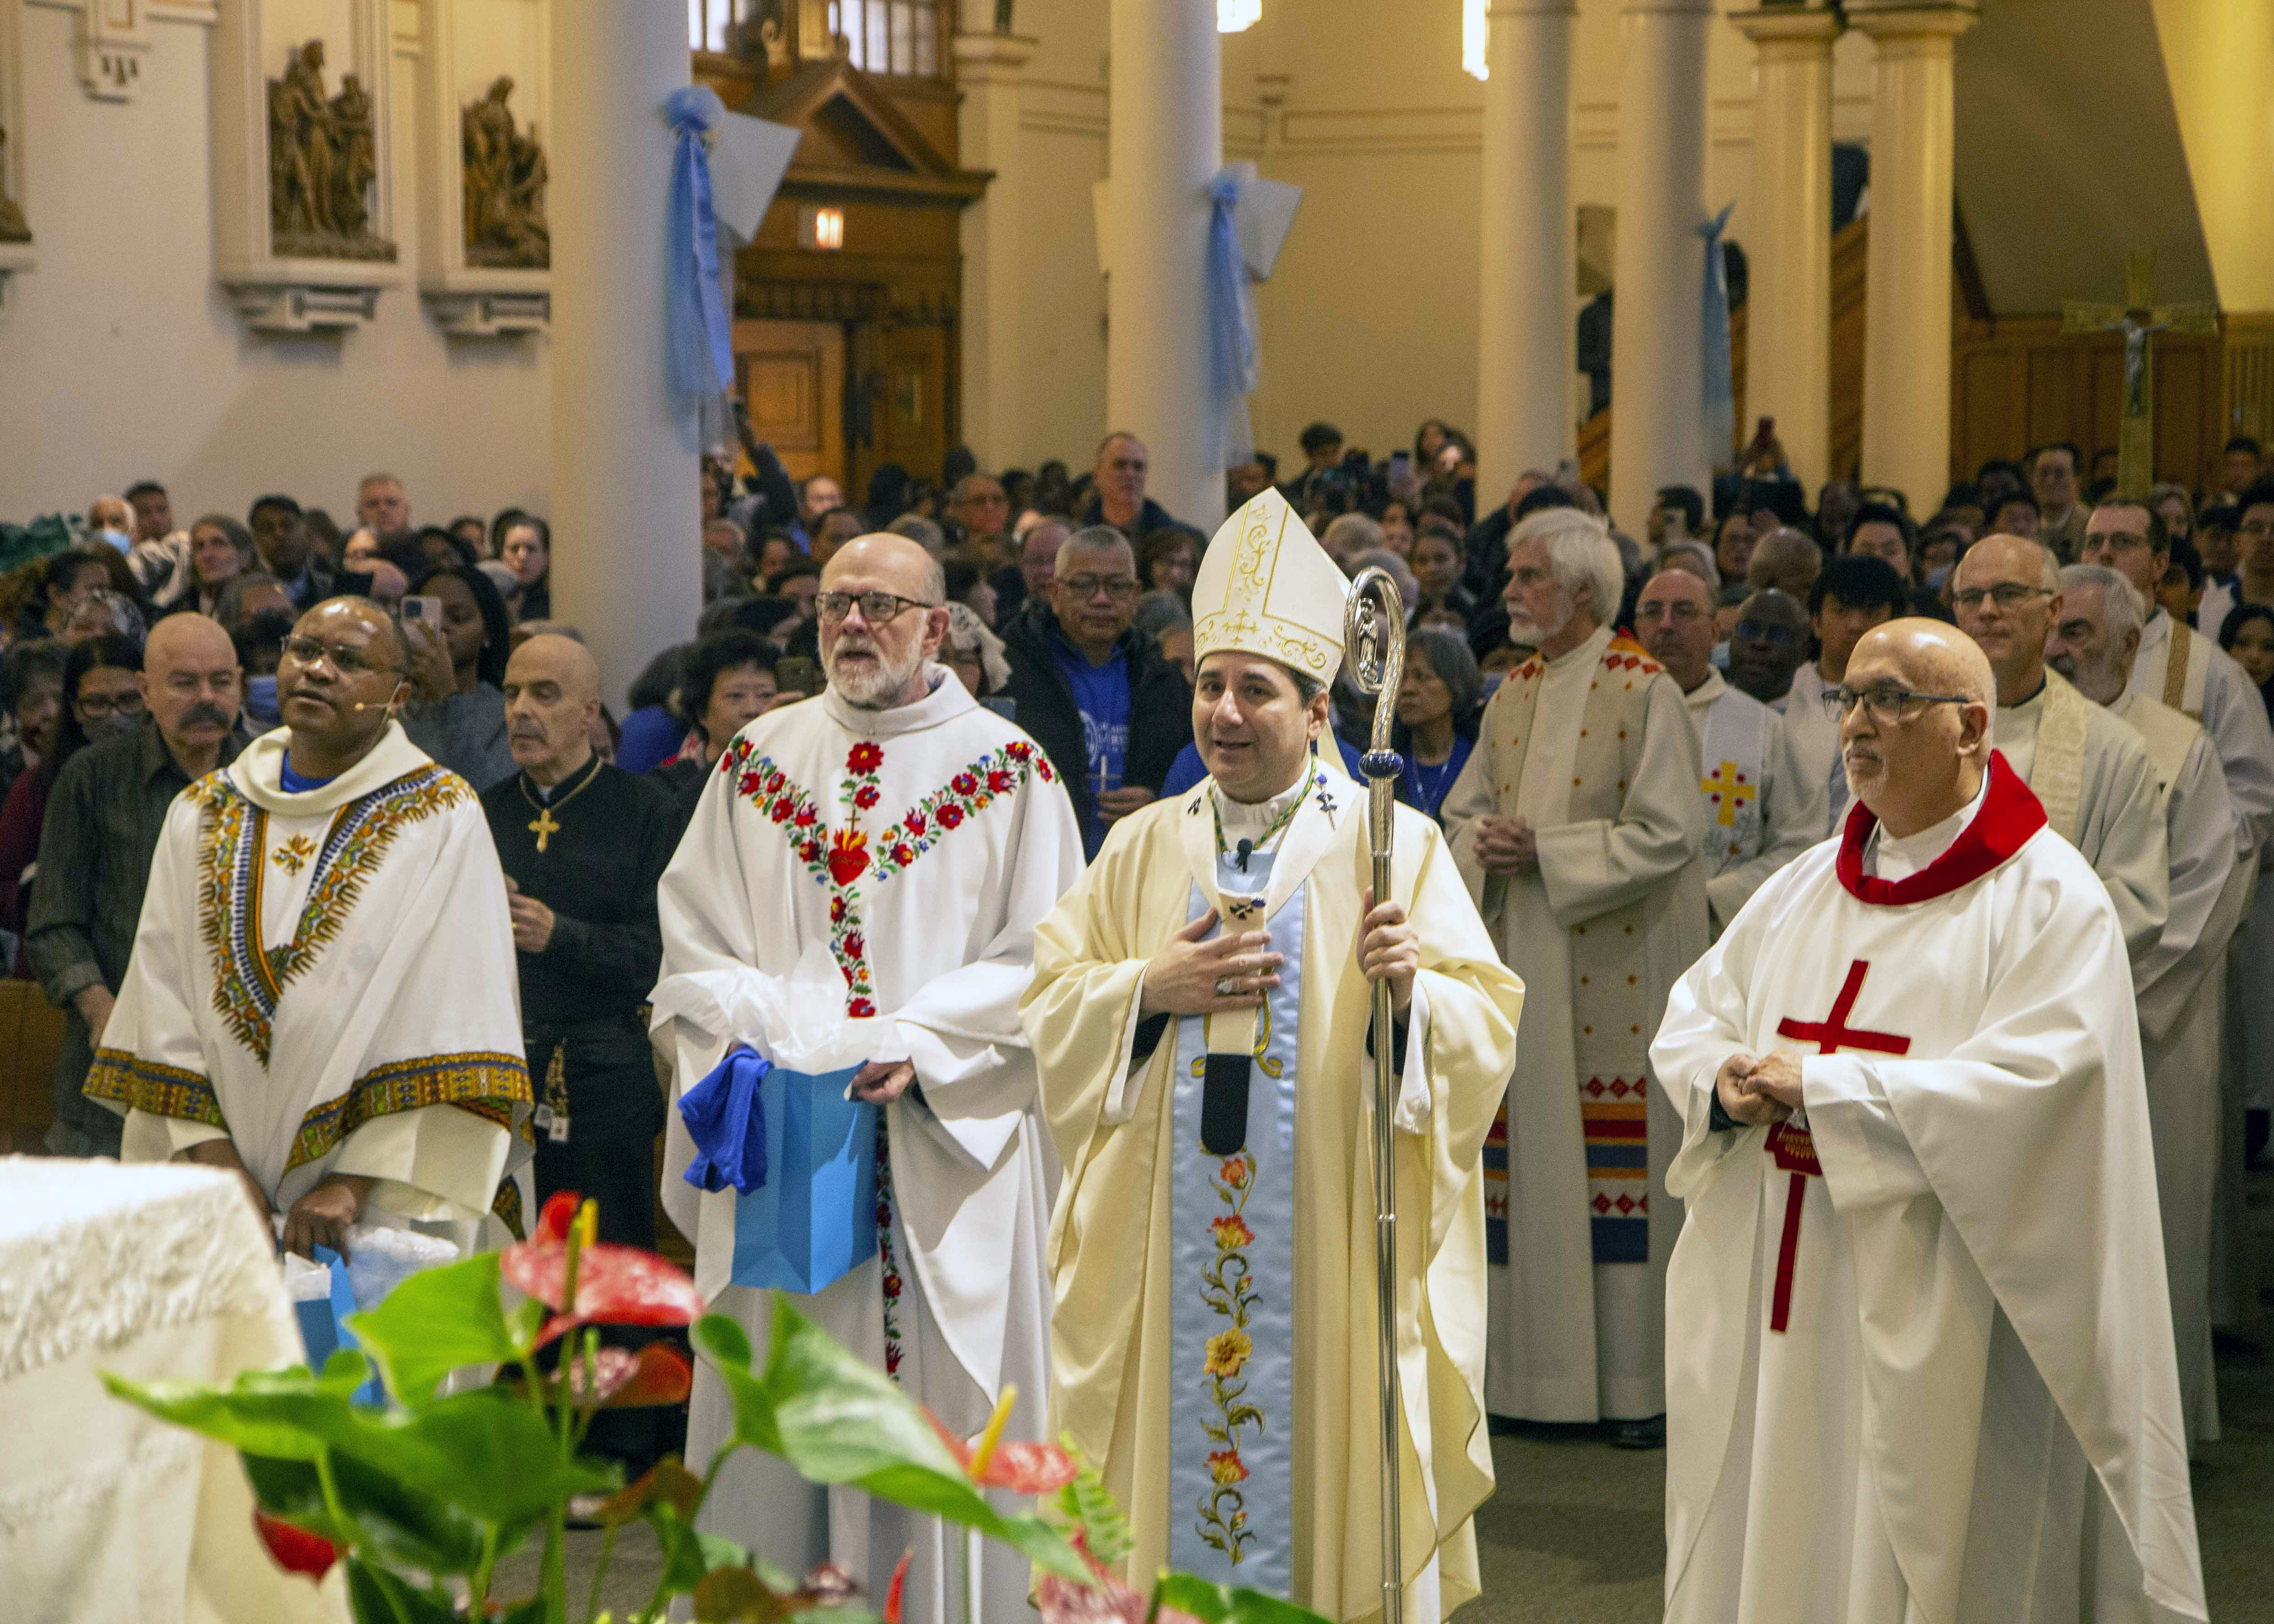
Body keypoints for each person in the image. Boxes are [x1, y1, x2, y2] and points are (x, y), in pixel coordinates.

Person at [1021, 488, 1523, 1619]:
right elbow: (1048, 1003)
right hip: (1162, 1254)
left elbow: (1482, 1021)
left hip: (1330, 1248)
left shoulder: (1391, 844)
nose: (1224, 713)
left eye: (1256, 689)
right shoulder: (1145, 844)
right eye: (1208, 684)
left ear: (1316, 711)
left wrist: (1411, 995)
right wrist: (1147, 989)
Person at [1650, 617, 2206, 1624]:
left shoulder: (2048, 901)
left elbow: (2043, 1090)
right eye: (1850, 697)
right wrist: (1725, 1078)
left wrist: (1827, 1088)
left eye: (1893, 699)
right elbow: (1698, 1016)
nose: (1859, 721)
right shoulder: (1804, 885)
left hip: (1948, 1310)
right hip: (1788, 1293)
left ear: (1970, 727)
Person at [655, 532, 1082, 1624]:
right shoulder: (755, 758)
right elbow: (692, 943)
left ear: (936, 627)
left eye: (882, 607)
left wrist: (921, 1042)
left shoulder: (1011, 771)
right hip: (793, 1134)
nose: (853, 625)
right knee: (782, 1396)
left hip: (942, 1146)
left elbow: (1048, 957)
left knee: (938, 1407)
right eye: (836, 603)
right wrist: (770, 1040)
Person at [86, 597, 531, 1257]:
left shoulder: (442, 814)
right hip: (217, 1187)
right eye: (304, 650)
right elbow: (161, 993)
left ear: (399, 696)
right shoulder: (202, 810)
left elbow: (454, 1009)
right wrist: (214, 1161)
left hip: (387, 1196)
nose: (318, 671)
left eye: (349, 660)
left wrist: (352, 1182)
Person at [1440, 506, 1707, 1446]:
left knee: (1612, 1173)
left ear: (1582, 590)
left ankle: (1634, 1386)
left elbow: (1673, 832)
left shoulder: (1646, 689)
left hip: (1610, 967)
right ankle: (1532, 1380)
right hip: (1526, 964)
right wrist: (1484, 840)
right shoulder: (1510, 691)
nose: (1507, 592)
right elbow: (1463, 813)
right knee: (1533, 1170)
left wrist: (1547, 850)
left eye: (1527, 578)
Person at [2049, 564, 2246, 1444]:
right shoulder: (2018, 737)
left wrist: (2105, 991)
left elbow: (2206, 887)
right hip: (2036, 1028)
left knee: (2151, 1226)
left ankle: (2152, 1437)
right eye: (2053, 629)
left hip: (2148, 1022)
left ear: (2131, 644)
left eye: (2080, 633)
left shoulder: (2176, 745)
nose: (2059, 648)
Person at [481, 635, 676, 1248]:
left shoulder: (646, 810)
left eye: (544, 694)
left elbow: (662, 952)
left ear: (590, 713)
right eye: (512, 693)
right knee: (508, 1265)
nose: (520, 710)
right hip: (500, 1075)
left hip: (606, 1076)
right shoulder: (478, 812)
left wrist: (559, 935)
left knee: (607, 1264)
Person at [24, 615, 243, 1157]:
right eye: (185, 683)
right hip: (114, 1079)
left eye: (222, 682)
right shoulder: (93, 777)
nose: (207, 698)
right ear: (146, 690)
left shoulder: (268, 778)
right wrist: (105, 1012)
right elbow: (53, 925)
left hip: (239, 1081)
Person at [1951, 534, 2168, 961]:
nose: (1988, 610)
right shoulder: (1917, 731)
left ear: (2054, 611)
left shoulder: (2113, 749)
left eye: (2009, 594)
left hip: (2045, 985)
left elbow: (2138, 903)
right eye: (1971, 597)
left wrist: (2008, 948)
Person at [2082, 496, 2274, 859]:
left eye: (2122, 542)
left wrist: (2180, 856)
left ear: (2160, 564)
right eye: (2094, 542)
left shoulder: (2215, 673)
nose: (2104, 554)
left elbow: (2253, 797)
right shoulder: (2054, 658)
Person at [1637, 572, 1825, 933]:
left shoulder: (1764, 728)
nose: (1666, 625)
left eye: (1684, 611)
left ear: (1714, 634)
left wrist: (1712, 899)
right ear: (1636, 627)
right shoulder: (1610, 715)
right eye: (1653, 612)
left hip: (1717, 931)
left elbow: (1800, 846)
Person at [998, 524, 1189, 857]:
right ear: (1054, 593)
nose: (1101, 599)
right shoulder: (1010, 670)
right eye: (1084, 585)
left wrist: (1158, 799)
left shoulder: (1163, 678)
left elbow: (1192, 777)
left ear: (1135, 595)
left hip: (1135, 865)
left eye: (1117, 587)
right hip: (1038, 859)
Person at [0, 636, 144, 970]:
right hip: (54, 971)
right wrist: (37, 900)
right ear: (75, 707)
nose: (114, 715)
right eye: (97, 703)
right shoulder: (37, 785)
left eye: (128, 700)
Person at [1785, 556, 1908, 838]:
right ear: (1816, 623)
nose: (1855, 625)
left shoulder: (1913, 704)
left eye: (1871, 612)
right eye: (1841, 611)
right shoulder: (1786, 694)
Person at [400, 562, 517, 791]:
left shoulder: (504, 712)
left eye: (458, 617)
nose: (442, 626)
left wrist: (447, 698)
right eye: (430, 616)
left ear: (487, 632)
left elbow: (490, 796)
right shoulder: (391, 704)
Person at [652, 629, 780, 815]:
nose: (753, 709)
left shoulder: (796, 777)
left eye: (766, 695)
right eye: (736, 696)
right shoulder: (668, 787)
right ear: (701, 712)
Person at [1393, 627, 1481, 822]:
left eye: (1422, 677)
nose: (1407, 689)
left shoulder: (1478, 759)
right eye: (1401, 678)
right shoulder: (1385, 760)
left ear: (1456, 684)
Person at [1723, 589, 1811, 708]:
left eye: (1778, 635)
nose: (1760, 643)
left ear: (1802, 652)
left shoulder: (1818, 723)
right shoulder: (1698, 710)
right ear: (1732, 639)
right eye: (1749, 629)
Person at [1081, 432, 1179, 539]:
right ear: (1097, 476)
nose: (1130, 474)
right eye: (1120, 465)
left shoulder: (1175, 540)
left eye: (1138, 467)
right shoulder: (1078, 536)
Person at [500, 514, 552, 621]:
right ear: (502, 555)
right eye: (514, 549)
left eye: (531, 549)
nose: (522, 557)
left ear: (547, 556)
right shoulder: (491, 599)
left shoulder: (559, 603)